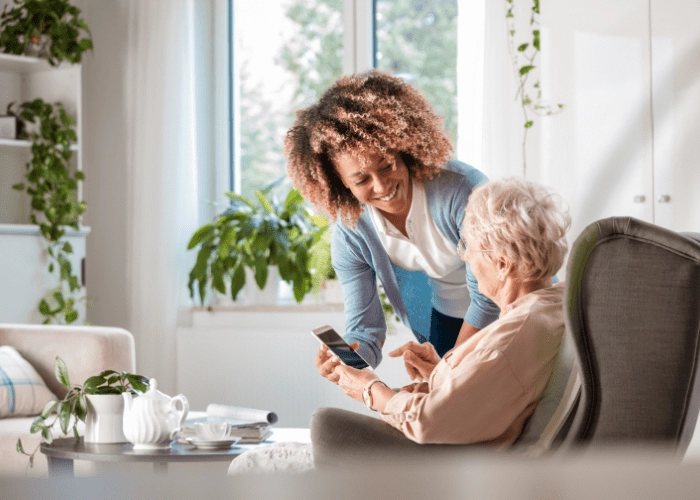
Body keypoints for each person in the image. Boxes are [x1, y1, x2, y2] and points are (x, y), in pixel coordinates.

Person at [312, 177, 571, 451]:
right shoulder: (551, 306)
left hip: (462, 457)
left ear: (502, 264)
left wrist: (370, 390)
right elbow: (493, 390)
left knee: (326, 423)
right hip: (470, 432)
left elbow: (428, 421)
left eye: (469, 247)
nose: (467, 258)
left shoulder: (512, 337)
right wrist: (441, 373)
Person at [285, 70, 499, 369]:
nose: (382, 186)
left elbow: (491, 294)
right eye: (361, 180)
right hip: (448, 324)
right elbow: (366, 329)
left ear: (401, 149)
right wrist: (348, 361)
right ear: (339, 182)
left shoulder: (461, 190)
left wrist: (450, 370)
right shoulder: (352, 232)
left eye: (386, 166)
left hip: (507, 314)